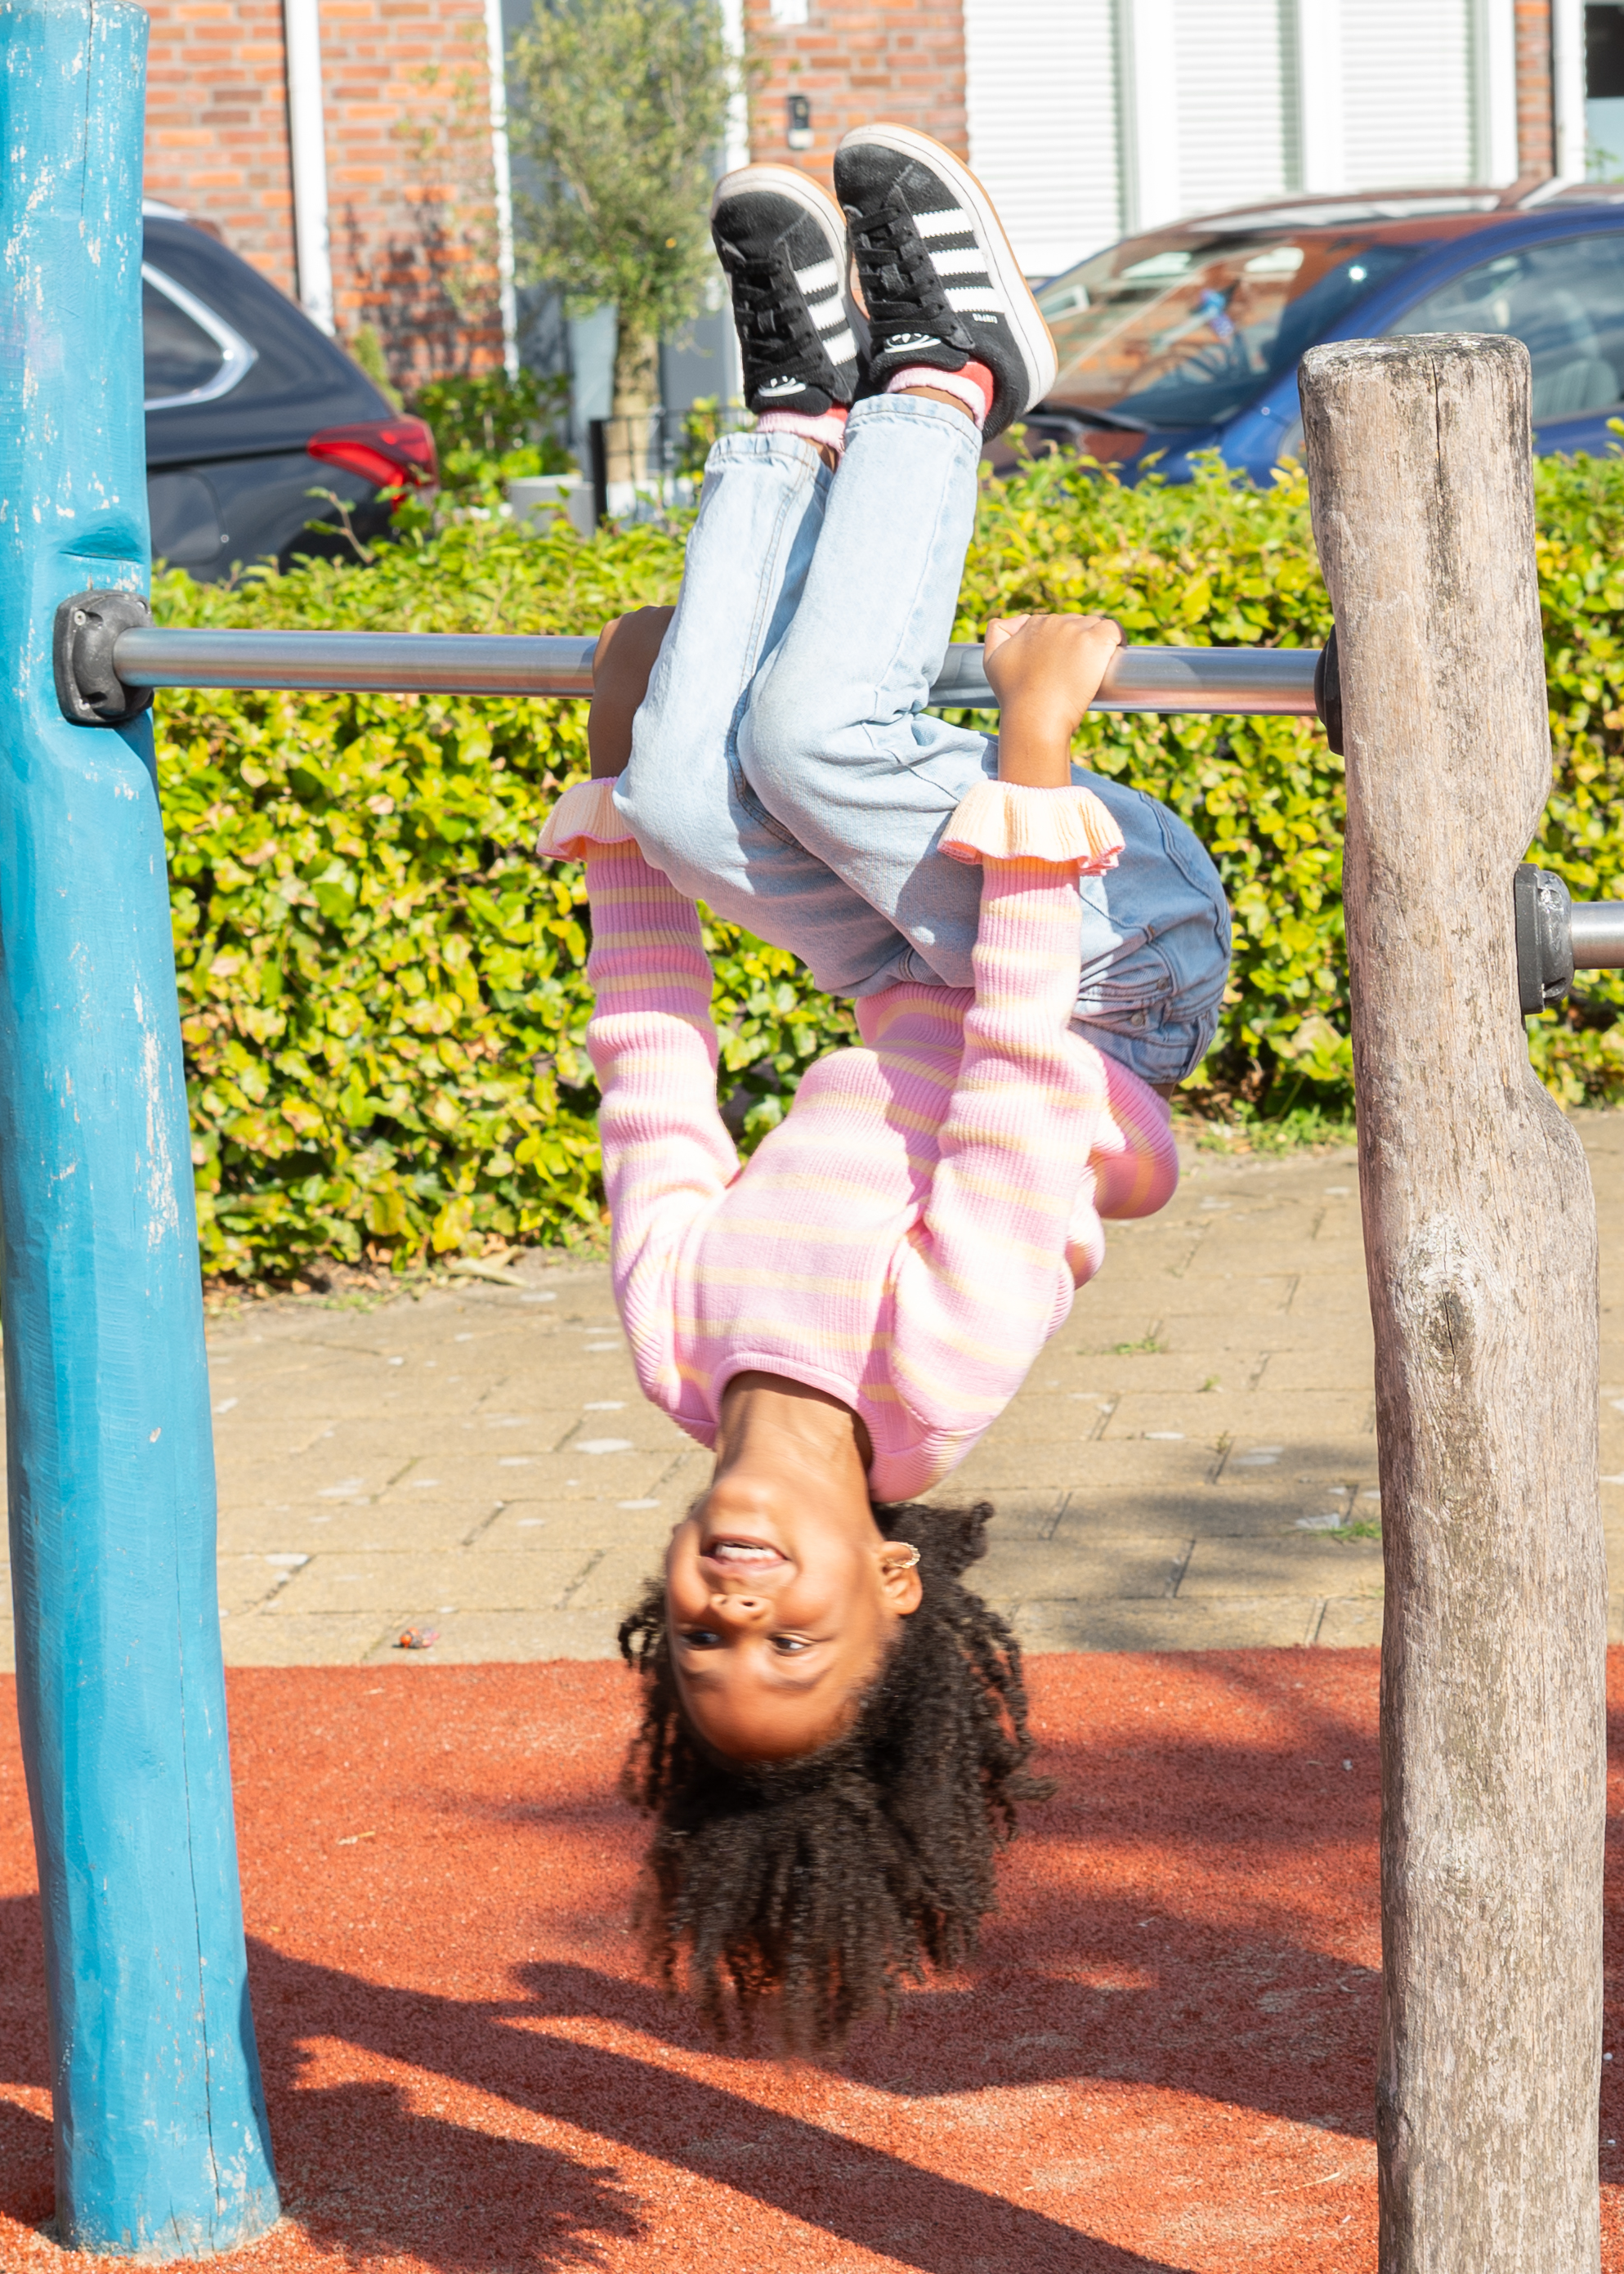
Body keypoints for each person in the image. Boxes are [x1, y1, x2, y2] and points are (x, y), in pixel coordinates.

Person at [536, 125, 1233, 2052]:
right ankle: (955, 373)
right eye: (796, 1633)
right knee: (822, 735)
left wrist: (622, 828)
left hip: (905, 973)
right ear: (898, 1591)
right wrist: (1028, 755)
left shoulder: (682, 1349)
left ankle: (796, 414)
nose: (738, 1596)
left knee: (699, 785)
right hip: (1094, 958)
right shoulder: (929, 1383)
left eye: (703, 1635)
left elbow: (653, 1074)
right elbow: (1021, 1086)